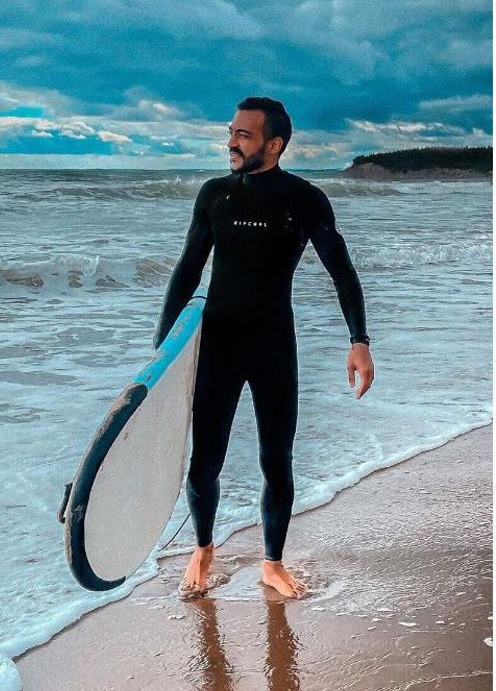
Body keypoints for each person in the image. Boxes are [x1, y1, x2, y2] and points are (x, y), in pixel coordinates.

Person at [155, 96, 375, 599]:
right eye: (231, 132)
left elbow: (341, 271)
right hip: (218, 346)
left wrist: (359, 340)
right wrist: (162, 348)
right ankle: (203, 546)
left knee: (277, 459)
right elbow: (187, 271)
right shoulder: (214, 196)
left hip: (274, 344)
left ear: (274, 145)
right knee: (204, 463)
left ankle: (272, 562)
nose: (231, 142)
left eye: (244, 135)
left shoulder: (305, 199)